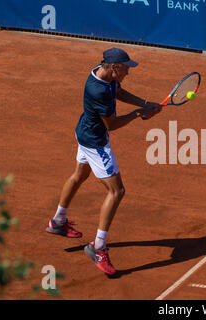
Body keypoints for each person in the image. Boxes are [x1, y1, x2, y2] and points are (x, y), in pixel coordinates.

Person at [46, 47, 161, 275]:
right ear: (115, 67)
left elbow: (118, 91)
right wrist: (139, 114)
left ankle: (58, 221)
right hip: (96, 142)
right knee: (117, 191)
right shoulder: (98, 90)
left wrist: (145, 103)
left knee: (80, 175)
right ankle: (98, 247)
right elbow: (113, 124)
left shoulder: (102, 72)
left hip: (84, 131)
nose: (128, 72)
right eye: (126, 68)